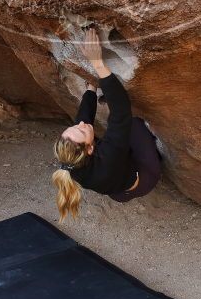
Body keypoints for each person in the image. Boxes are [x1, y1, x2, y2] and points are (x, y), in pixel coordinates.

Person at [51, 28, 162, 221]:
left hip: (117, 190)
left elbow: (82, 120)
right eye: (81, 131)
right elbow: (121, 112)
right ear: (91, 149)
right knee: (134, 125)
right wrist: (97, 63)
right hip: (143, 179)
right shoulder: (109, 157)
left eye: (74, 128)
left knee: (116, 141)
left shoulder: (71, 163)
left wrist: (91, 90)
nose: (81, 125)